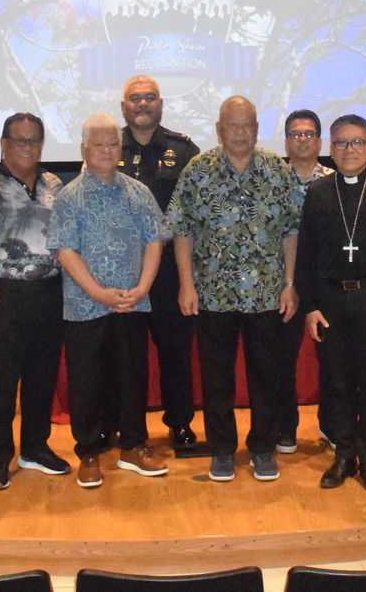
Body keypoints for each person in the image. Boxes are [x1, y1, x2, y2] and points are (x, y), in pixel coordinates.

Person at [168, 96, 301, 483]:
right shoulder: (198, 170)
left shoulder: (278, 170)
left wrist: (290, 284)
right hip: (212, 296)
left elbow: (291, 231)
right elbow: (182, 230)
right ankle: (222, 450)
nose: (240, 133)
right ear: (219, 129)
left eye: (248, 125)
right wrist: (186, 285)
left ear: (257, 129)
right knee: (216, 379)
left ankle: (262, 447)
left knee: (267, 376)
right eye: (232, 125)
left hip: (267, 293)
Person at [50, 113, 169, 488]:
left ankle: (133, 447)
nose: (106, 150)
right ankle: (88, 452)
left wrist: (144, 286)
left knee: (133, 376)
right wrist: (98, 293)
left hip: (134, 303)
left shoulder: (138, 191)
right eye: (98, 144)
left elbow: (155, 241)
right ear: (84, 149)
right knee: (87, 381)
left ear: (121, 148)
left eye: (112, 144)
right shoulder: (68, 197)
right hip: (86, 307)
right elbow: (65, 251)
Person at [297, 114, 366, 493]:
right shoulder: (318, 193)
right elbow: (307, 254)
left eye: (357, 142)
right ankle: (343, 455)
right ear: (330, 149)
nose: (349, 150)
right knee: (337, 382)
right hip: (330, 299)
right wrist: (309, 305)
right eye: (342, 143)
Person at [0, 113, 68, 490]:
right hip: (7, 297)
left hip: (49, 296)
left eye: (34, 140)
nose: (27, 147)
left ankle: (35, 448)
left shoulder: (53, 185)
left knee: (42, 378)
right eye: (19, 140)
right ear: (3, 145)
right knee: (3, 383)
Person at [117, 75, 202, 452]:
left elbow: (197, 214)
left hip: (170, 269)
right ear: (124, 107)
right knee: (125, 356)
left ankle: (179, 423)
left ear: (161, 104)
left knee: (176, 352)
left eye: (149, 98)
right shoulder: (107, 147)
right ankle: (126, 427)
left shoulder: (183, 150)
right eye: (135, 99)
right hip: (122, 269)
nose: (142, 104)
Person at [277, 109, 333, 453]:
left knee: (332, 360)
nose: (303, 139)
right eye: (296, 134)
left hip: (323, 283)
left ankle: (331, 426)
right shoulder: (271, 179)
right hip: (281, 284)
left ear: (319, 140)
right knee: (281, 360)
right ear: (286, 140)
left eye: (309, 134)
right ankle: (285, 428)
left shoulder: (334, 179)